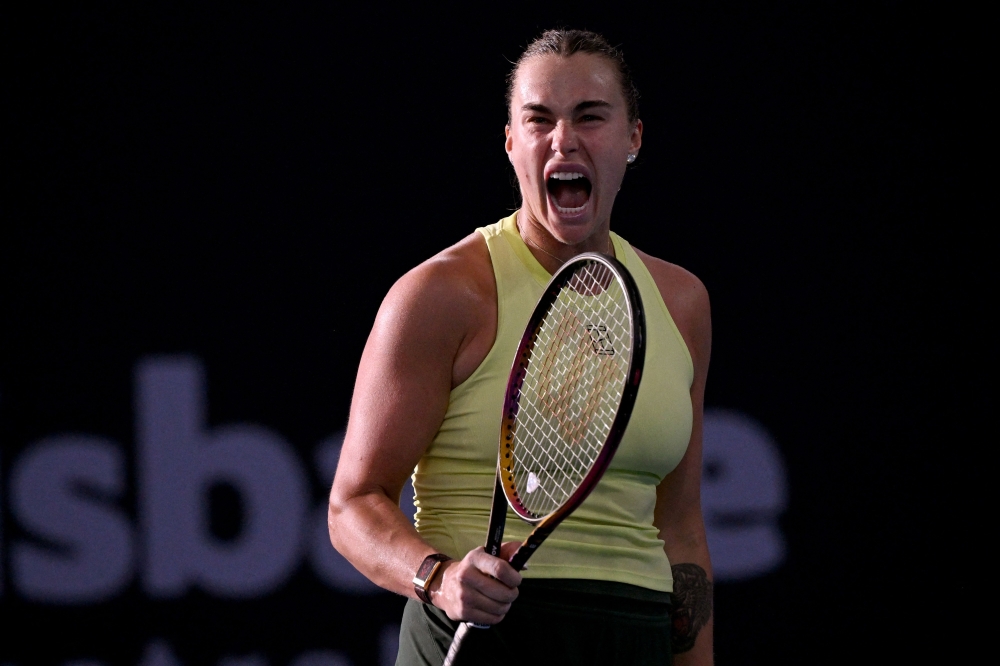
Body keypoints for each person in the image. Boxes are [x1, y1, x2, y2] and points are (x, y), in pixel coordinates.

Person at [329, 29, 714, 665]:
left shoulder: (681, 302)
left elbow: (680, 529)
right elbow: (353, 505)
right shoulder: (443, 293)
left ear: (634, 138)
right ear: (512, 144)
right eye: (539, 120)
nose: (563, 139)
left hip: (633, 637)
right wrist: (440, 578)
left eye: (590, 116)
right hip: (482, 638)